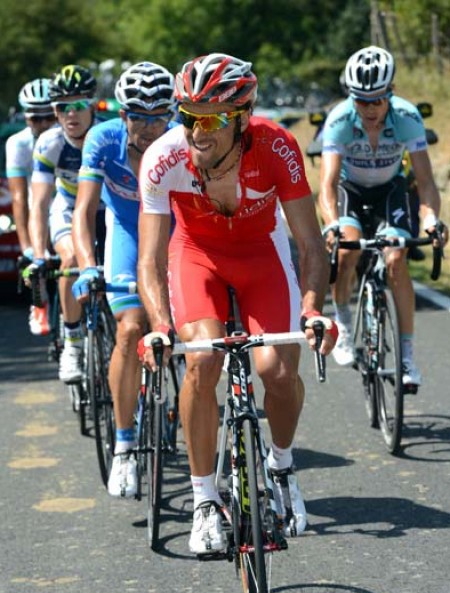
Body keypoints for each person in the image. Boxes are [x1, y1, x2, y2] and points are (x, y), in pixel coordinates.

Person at [137, 53, 338, 555]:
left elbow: (311, 245)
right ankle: (205, 501)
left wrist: (312, 311)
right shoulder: (164, 158)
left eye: (209, 119)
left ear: (242, 118)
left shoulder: (277, 147)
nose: (195, 132)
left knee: (277, 371)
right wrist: (161, 326)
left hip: (261, 254)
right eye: (187, 117)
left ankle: (282, 466)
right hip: (196, 256)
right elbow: (150, 259)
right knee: (202, 361)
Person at [71, 62, 176, 498]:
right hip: (128, 236)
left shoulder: (181, 141)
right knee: (131, 328)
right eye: (139, 116)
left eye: (159, 117)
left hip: (176, 235)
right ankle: (125, 444)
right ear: (122, 114)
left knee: (191, 335)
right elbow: (83, 211)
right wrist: (87, 264)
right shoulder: (101, 140)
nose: (150, 128)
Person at [318, 45, 445, 389]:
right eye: (361, 100)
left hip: (390, 190)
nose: (370, 108)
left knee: (397, 258)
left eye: (377, 100)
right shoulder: (340, 119)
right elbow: (327, 184)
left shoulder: (407, 117)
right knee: (347, 252)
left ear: (390, 94)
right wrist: (331, 225)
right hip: (352, 191)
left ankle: (406, 358)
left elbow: (427, 182)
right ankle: (343, 323)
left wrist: (431, 220)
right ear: (351, 97)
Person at [27, 64, 99, 384]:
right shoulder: (49, 143)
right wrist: (39, 256)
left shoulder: (109, 134)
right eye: (63, 107)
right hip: (68, 208)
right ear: (55, 112)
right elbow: (40, 203)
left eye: (79, 105)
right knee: (70, 259)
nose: (72, 114)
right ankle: (72, 343)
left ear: (92, 106)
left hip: (104, 209)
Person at [5, 78, 56, 334]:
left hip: (65, 203)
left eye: (49, 116)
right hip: (35, 203)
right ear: (26, 118)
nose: (44, 124)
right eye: (36, 118)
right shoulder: (17, 143)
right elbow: (18, 198)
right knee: (36, 260)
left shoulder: (67, 137)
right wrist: (27, 248)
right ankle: (40, 300)